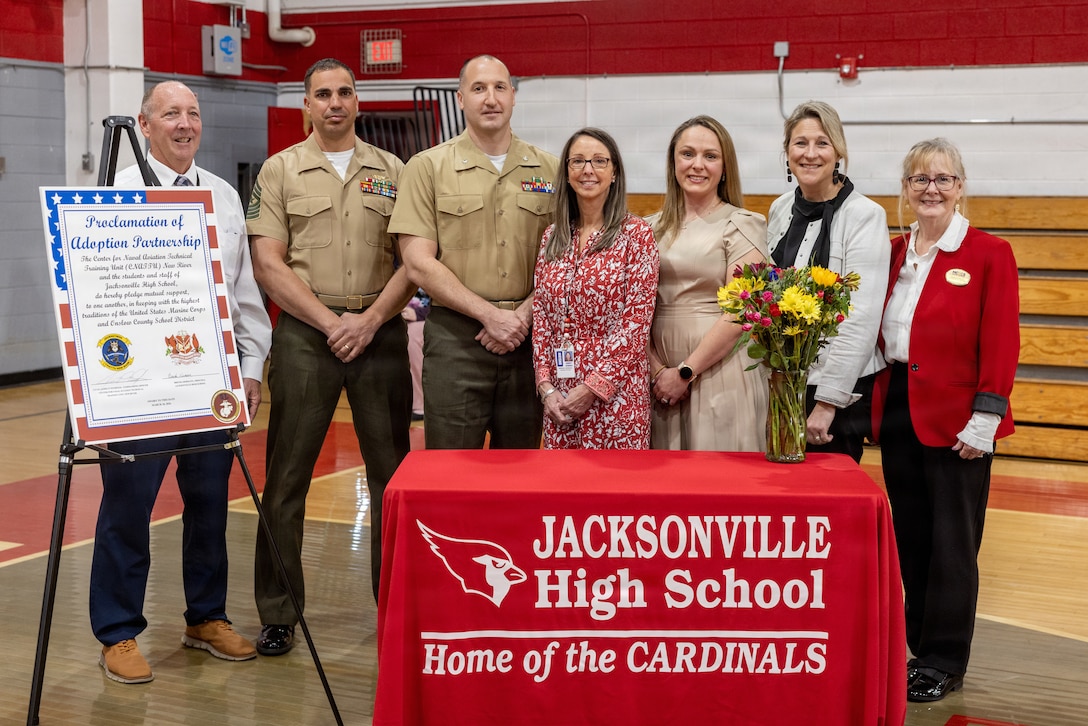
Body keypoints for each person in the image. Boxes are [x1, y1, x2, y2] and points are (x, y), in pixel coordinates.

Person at [91, 80, 273, 684]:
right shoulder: (108, 199)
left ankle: (206, 616)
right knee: (128, 506)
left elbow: (243, 294)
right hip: (137, 382)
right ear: (144, 125)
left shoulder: (221, 196)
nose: (185, 124)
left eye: (193, 113)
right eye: (171, 114)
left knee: (209, 506)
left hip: (208, 379)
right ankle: (118, 631)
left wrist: (249, 370)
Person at [247, 58, 414, 656]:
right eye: (323, 94)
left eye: (345, 92)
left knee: (392, 480)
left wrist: (367, 321)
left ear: (358, 102)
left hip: (380, 334)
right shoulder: (279, 170)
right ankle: (277, 613)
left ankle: (396, 608)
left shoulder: (395, 171)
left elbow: (412, 261)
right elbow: (268, 263)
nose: (335, 103)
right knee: (287, 480)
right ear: (307, 106)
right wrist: (329, 323)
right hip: (304, 337)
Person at [874, 138, 1019, 702]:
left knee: (953, 545)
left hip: (960, 422)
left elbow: (1001, 342)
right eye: (918, 179)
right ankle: (919, 648)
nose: (929, 189)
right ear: (905, 190)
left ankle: (944, 659)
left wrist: (985, 417)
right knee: (912, 538)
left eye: (942, 178)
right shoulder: (891, 252)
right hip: (900, 412)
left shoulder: (988, 253)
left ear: (960, 187)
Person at [391, 54, 559, 449]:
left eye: (500, 87)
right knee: (451, 473)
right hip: (456, 341)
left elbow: (565, 260)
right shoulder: (427, 167)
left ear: (514, 97)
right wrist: (489, 315)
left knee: (521, 475)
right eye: (479, 88)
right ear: (460, 98)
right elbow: (417, 261)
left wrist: (519, 318)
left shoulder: (551, 170)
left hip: (530, 339)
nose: (491, 98)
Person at [766, 100, 890, 463]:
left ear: (838, 152)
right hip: (784, 380)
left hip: (837, 392)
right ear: (787, 152)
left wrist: (827, 401)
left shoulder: (865, 215)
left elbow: (861, 319)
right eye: (799, 143)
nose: (810, 154)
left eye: (822, 143)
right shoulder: (779, 209)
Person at [646, 115, 769, 451]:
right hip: (656, 379)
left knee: (720, 484)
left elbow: (740, 313)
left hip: (720, 370)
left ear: (724, 166)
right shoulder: (645, 229)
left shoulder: (743, 224)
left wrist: (685, 372)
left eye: (710, 156)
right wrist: (658, 373)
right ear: (673, 162)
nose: (697, 165)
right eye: (687, 154)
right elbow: (633, 312)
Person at [531, 128, 658, 449]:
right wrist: (546, 387)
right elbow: (543, 320)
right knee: (564, 494)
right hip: (559, 402)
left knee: (616, 495)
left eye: (599, 161)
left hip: (616, 398)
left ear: (615, 172)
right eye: (578, 161)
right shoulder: (552, 237)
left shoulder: (637, 236)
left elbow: (635, 325)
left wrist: (592, 388)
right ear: (567, 173)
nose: (588, 170)